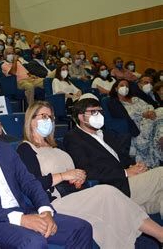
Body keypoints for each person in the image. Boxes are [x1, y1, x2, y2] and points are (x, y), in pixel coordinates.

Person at [0, 99, 93, 248]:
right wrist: (21, 220)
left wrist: (45, 210)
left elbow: (29, 182)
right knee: (34, 241)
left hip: (25, 210)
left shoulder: (6, 150)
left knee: (81, 228)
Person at [17, 101, 163, 247]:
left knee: (112, 215)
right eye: (43, 116)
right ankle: (160, 235)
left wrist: (78, 178)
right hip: (54, 204)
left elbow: (76, 172)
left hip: (74, 195)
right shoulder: (26, 149)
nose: (48, 120)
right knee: (107, 192)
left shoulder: (57, 146)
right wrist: (63, 176)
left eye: (51, 117)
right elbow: (32, 184)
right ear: (31, 120)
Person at [64, 98, 163, 217]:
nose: (99, 115)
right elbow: (87, 171)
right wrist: (125, 172)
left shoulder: (106, 134)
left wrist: (135, 166)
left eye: (100, 111)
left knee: (160, 198)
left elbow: (122, 157)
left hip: (128, 182)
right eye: (94, 112)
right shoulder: (74, 138)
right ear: (81, 117)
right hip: (113, 186)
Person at [107, 79, 162, 168]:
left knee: (161, 113)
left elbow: (148, 106)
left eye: (127, 86)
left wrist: (151, 112)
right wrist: (143, 114)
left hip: (151, 118)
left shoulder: (135, 98)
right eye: (122, 85)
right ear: (116, 88)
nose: (125, 87)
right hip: (137, 125)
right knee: (160, 127)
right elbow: (126, 117)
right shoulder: (115, 102)